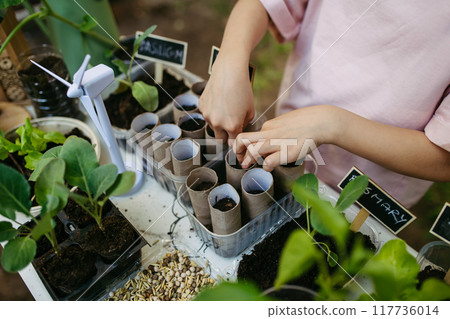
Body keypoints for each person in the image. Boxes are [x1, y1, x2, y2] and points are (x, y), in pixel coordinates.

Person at [198, 0, 450, 208]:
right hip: (293, 120)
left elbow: (444, 158)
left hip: (377, 175)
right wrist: (229, 61)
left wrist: (331, 124)